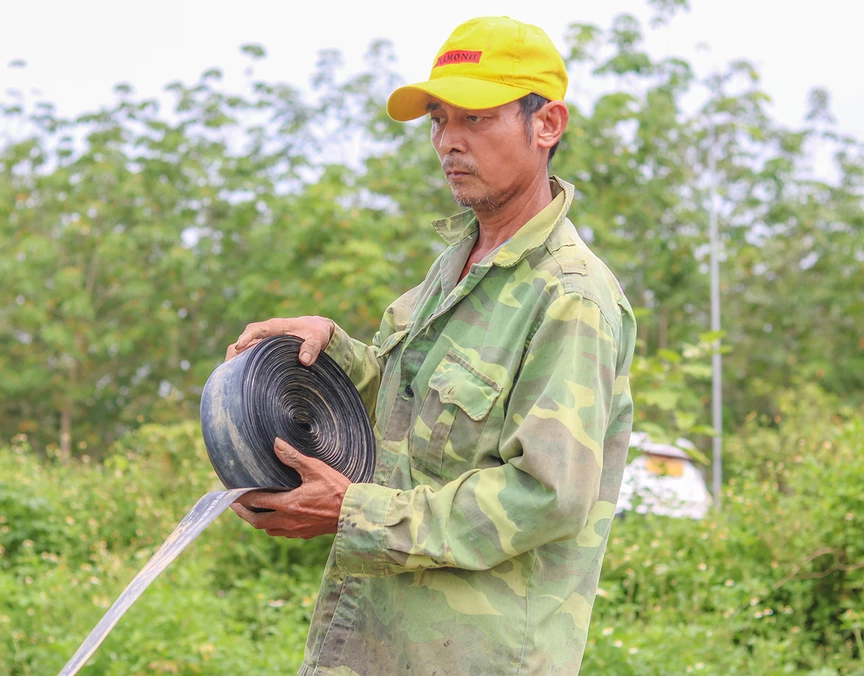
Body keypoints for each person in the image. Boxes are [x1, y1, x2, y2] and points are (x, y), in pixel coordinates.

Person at [226, 16, 636, 675]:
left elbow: (549, 495)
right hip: (371, 644)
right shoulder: (455, 268)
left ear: (547, 124)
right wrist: (333, 355)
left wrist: (356, 513)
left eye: (475, 118)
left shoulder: (571, 298)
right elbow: (411, 413)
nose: (449, 142)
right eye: (440, 120)